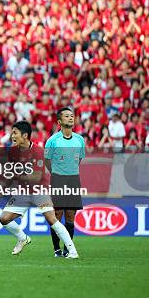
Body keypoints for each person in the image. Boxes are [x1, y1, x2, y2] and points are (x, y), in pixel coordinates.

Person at [0, 121, 78, 258]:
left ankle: (73, 251)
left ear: (25, 135)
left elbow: (37, 176)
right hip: (23, 191)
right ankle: (23, 238)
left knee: (52, 219)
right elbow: (11, 173)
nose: (12, 136)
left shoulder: (38, 151)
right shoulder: (13, 152)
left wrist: (17, 176)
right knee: (4, 219)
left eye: (15, 133)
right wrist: (2, 189)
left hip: (39, 190)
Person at [44, 107, 86, 257]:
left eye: (72, 116)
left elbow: (79, 159)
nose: (70, 118)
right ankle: (57, 249)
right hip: (58, 179)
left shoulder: (79, 139)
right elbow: (47, 160)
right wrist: (57, 172)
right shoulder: (52, 140)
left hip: (74, 179)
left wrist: (70, 171)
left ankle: (68, 248)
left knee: (70, 215)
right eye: (67, 116)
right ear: (59, 121)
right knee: (57, 214)